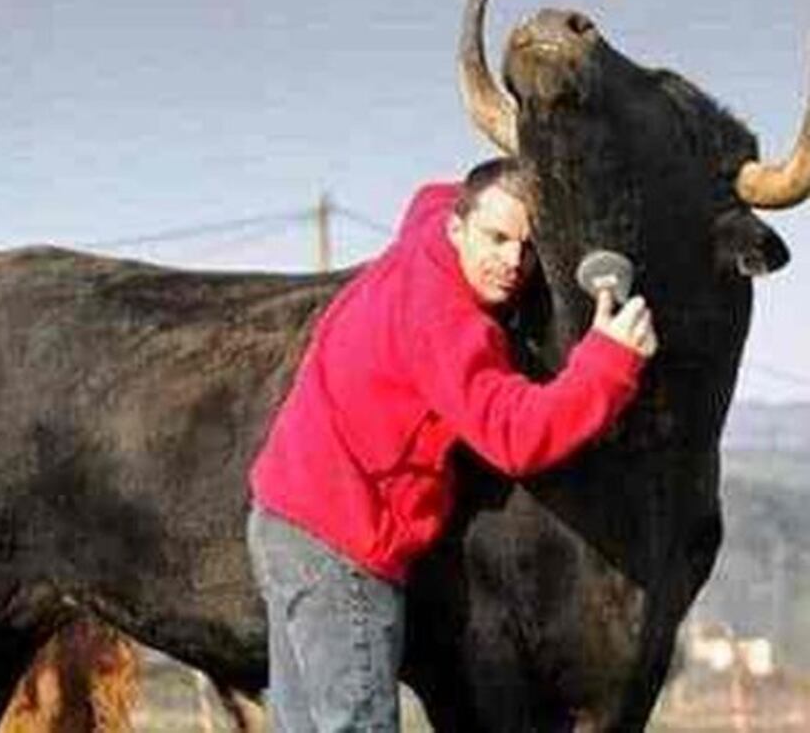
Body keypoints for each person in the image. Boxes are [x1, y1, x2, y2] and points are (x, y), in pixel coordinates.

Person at [246, 158, 658, 732]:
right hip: (343, 548)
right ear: (457, 227)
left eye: (528, 245)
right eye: (496, 238)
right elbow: (514, 434)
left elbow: (428, 193)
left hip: (284, 518)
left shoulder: (427, 230)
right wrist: (609, 364)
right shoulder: (447, 323)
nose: (513, 262)